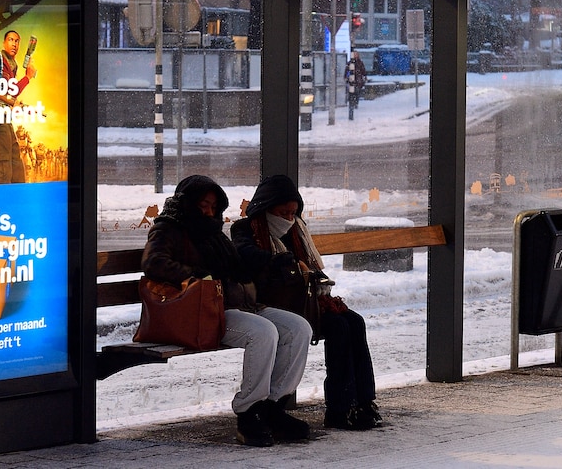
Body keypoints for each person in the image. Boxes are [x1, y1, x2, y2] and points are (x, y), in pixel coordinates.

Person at [141, 174, 313, 447]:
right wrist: (199, 276)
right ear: (187, 203)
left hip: (237, 305)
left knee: (298, 328)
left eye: (213, 206)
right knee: (263, 333)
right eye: (203, 205)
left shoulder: (214, 234)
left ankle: (272, 408)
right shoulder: (168, 229)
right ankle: (248, 412)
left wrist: (269, 264)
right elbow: (153, 262)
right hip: (202, 313)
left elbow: (237, 268)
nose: (209, 211)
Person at [231, 174, 383, 431]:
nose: (289, 218)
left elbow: (309, 266)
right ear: (266, 207)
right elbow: (246, 253)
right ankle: (340, 407)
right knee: (338, 326)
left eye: (293, 212)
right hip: (274, 302)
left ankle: (363, 400)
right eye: (283, 212)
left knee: (354, 321)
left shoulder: (296, 231)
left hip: (303, 299)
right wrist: (276, 261)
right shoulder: (246, 228)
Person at [0, 30, 37, 184]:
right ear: (4, 43)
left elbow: (10, 93)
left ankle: (18, 193)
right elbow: (7, 90)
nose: (14, 44)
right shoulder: (1, 62)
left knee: (15, 156)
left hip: (4, 115)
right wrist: (27, 77)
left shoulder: (13, 65)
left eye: (17, 41)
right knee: (5, 160)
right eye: (11, 40)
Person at [345, 50, 367, 121]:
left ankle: (355, 103)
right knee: (351, 92)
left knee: (357, 92)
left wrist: (364, 76)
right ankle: (352, 103)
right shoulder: (350, 63)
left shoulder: (360, 63)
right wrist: (346, 76)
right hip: (352, 80)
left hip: (358, 81)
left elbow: (363, 70)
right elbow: (347, 70)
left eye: (356, 54)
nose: (355, 56)